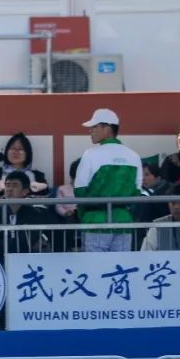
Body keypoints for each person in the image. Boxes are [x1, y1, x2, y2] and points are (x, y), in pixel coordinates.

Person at [74, 108, 142, 252]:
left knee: (95, 270)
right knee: (120, 269)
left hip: (95, 221)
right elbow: (138, 193)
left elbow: (79, 192)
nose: (90, 131)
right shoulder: (134, 156)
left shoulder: (91, 154)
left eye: (94, 127)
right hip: (124, 222)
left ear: (107, 129)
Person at [0, 171, 48, 258]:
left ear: (25, 191)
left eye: (14, 185)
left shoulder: (35, 214)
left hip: (27, 260)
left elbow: (25, 244)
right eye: (7, 185)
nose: (9, 189)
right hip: (1, 261)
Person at [0, 133, 50, 199]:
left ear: (28, 153)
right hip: (3, 209)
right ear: (6, 151)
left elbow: (46, 196)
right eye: (12, 148)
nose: (15, 152)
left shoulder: (38, 176)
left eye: (20, 149)